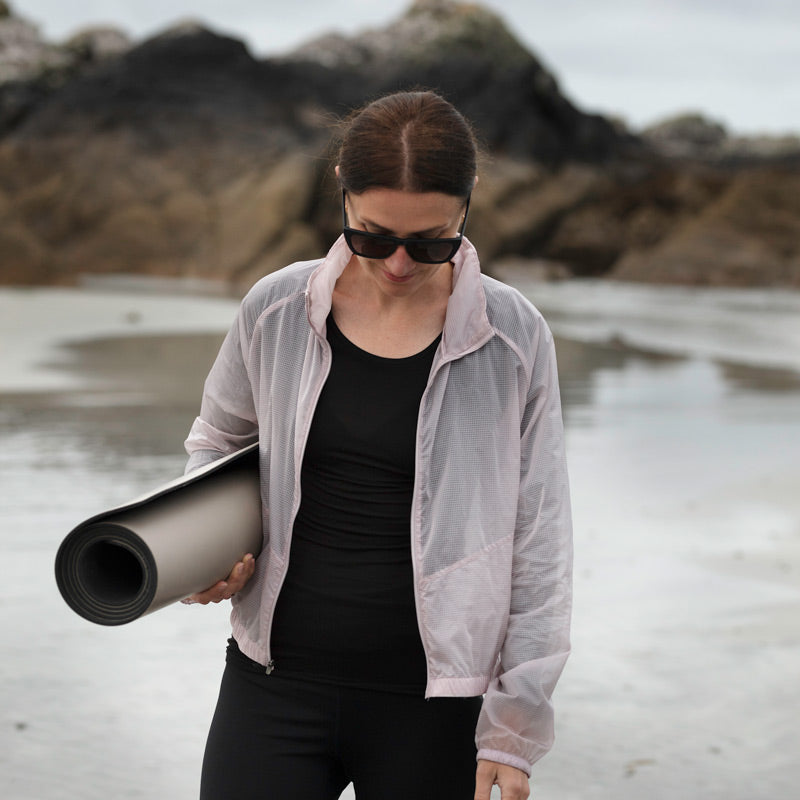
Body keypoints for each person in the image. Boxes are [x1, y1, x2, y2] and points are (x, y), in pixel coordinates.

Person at [183, 90, 572, 800]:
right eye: (371, 235)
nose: (397, 264)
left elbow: (540, 538)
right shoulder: (275, 309)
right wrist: (206, 547)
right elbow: (219, 440)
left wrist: (514, 734)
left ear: (468, 202)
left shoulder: (514, 339)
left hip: (438, 709)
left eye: (431, 241)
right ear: (341, 185)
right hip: (272, 686)